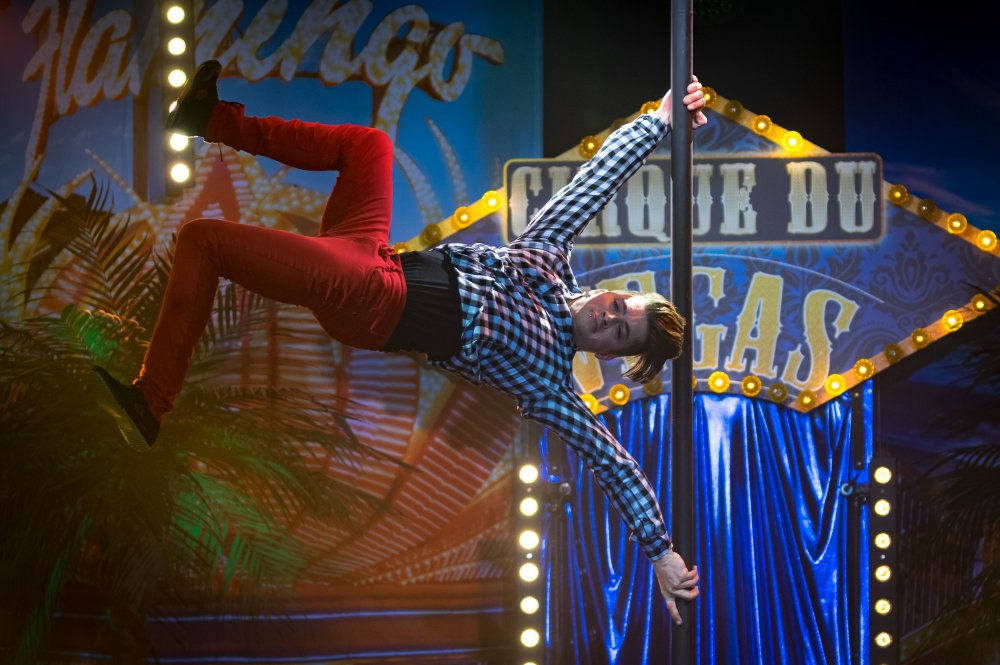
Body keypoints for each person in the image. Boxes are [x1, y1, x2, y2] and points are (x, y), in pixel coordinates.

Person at [89, 60, 707, 624]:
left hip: (373, 302)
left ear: (607, 353)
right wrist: (657, 123)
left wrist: (661, 553)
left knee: (204, 241)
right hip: (376, 257)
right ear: (612, 290)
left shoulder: (550, 381)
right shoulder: (545, 260)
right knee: (369, 146)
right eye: (621, 306)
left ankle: (151, 402)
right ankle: (210, 119)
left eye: (620, 332)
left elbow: (616, 463)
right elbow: (595, 182)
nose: (609, 317)